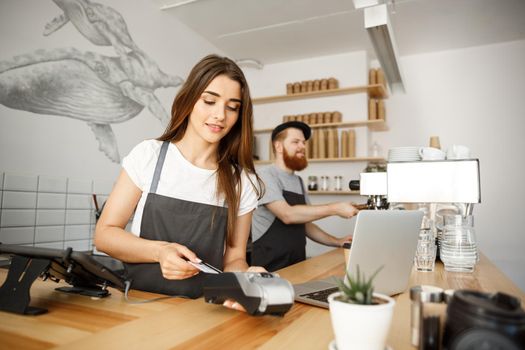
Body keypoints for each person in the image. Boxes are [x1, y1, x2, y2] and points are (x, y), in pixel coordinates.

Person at [94, 54, 264, 301]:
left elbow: (235, 258)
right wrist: (160, 251)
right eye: (209, 101)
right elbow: (105, 235)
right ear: (190, 99)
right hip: (138, 304)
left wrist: (246, 277)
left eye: (232, 107)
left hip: (204, 310)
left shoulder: (241, 181)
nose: (220, 115)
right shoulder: (148, 155)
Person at [250, 121, 359, 271]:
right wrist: (335, 208)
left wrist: (337, 241)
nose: (303, 146)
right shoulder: (264, 176)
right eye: (295, 142)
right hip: (268, 268)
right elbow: (287, 215)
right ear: (278, 146)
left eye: (303, 142)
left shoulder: (298, 181)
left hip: (297, 264)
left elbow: (306, 225)